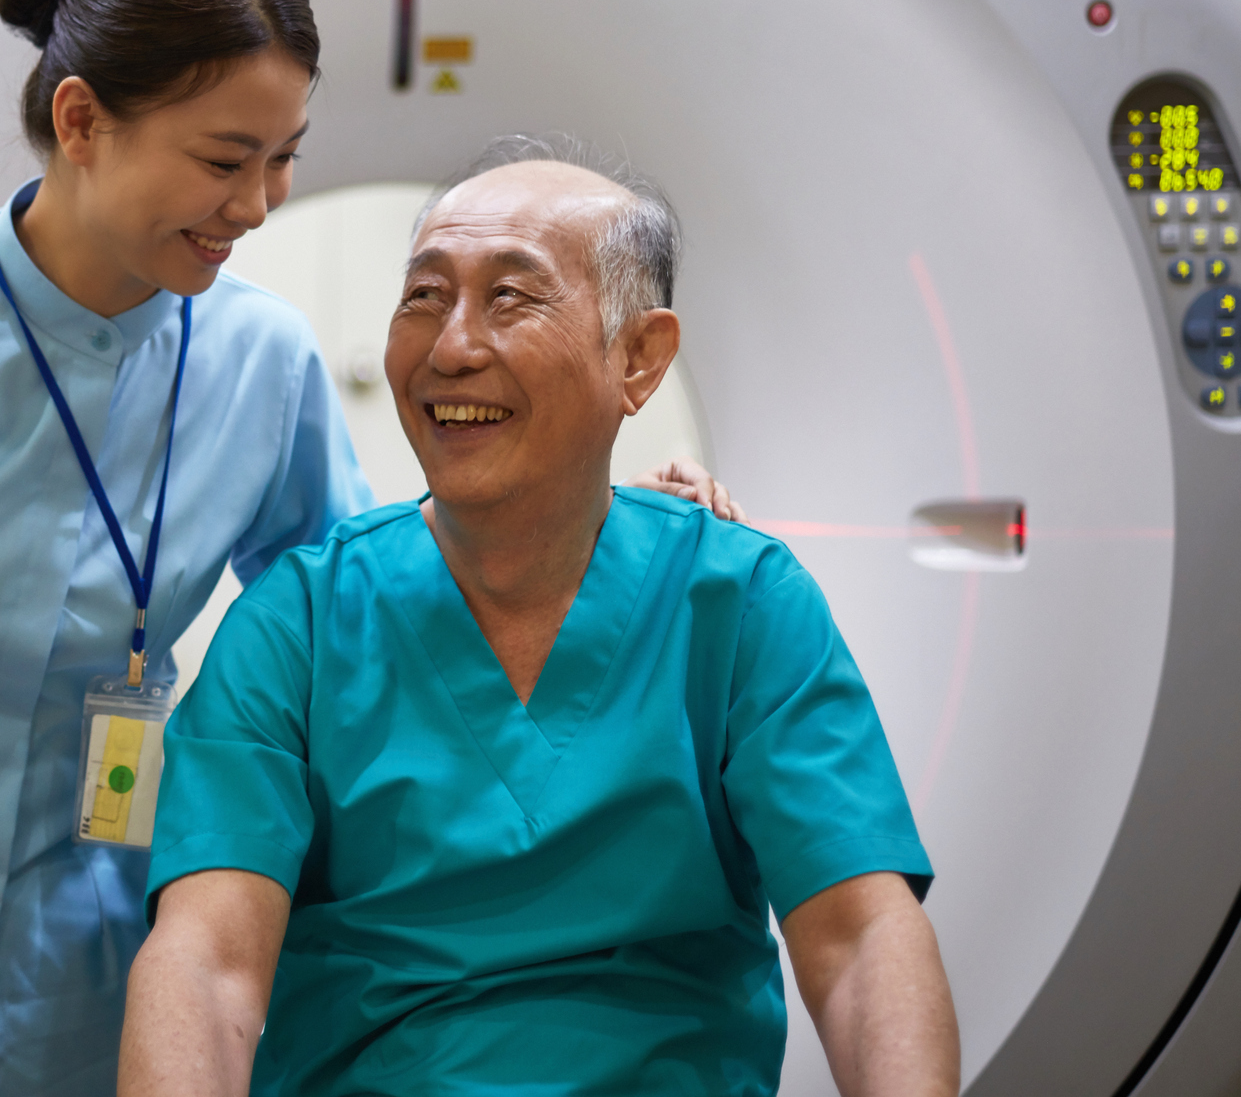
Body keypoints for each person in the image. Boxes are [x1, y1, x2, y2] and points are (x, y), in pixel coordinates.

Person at [0, 0, 738, 1097]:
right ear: (80, 123)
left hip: (93, 997)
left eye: (285, 159)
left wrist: (628, 527)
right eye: (225, 161)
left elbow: (379, 614)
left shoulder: (260, 360)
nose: (261, 204)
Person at [123, 135, 959, 1097]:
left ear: (639, 359)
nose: (451, 347)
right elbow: (205, 964)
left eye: (510, 298)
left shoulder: (737, 601)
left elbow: (859, 939)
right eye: (424, 297)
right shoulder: (301, 622)